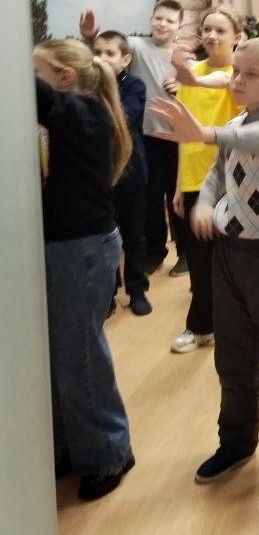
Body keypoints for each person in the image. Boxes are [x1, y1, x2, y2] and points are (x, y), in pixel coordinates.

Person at [150, 37, 259, 497]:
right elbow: (217, 173)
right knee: (233, 359)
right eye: (236, 72)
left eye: (252, 74)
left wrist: (205, 133)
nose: (238, 81)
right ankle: (236, 444)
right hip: (231, 257)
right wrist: (205, 204)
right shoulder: (233, 124)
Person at [34, 38, 135, 501]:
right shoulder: (73, 115)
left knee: (81, 356)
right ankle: (73, 446)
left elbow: (38, 97)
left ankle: (109, 452)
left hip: (83, 250)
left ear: (64, 79)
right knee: (58, 354)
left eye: (38, 72)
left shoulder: (86, 114)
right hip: (65, 247)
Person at [80, 0, 187, 277]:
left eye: (170, 20)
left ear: (179, 26)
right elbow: (110, 50)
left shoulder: (184, 56)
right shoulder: (137, 46)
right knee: (151, 199)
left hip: (178, 137)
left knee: (179, 198)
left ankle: (185, 253)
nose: (163, 24)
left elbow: (196, 85)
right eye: (158, 18)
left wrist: (183, 85)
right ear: (151, 20)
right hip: (148, 136)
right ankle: (155, 252)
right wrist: (91, 35)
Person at [169, 5, 243, 354]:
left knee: (234, 259)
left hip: (233, 179)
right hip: (195, 177)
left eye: (220, 30)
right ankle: (200, 326)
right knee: (199, 261)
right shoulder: (193, 73)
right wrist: (180, 184)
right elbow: (183, 131)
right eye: (207, 29)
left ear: (237, 37)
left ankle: (238, 325)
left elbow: (226, 82)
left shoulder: (240, 73)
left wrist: (195, 79)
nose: (211, 36)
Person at [94, 30, 153, 316]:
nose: (102, 58)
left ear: (125, 59)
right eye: (97, 52)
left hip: (130, 171)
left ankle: (137, 290)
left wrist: (92, 115)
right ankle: (109, 293)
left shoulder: (134, 85)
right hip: (99, 173)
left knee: (134, 236)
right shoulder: (88, 86)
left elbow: (125, 116)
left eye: (110, 53)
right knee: (105, 237)